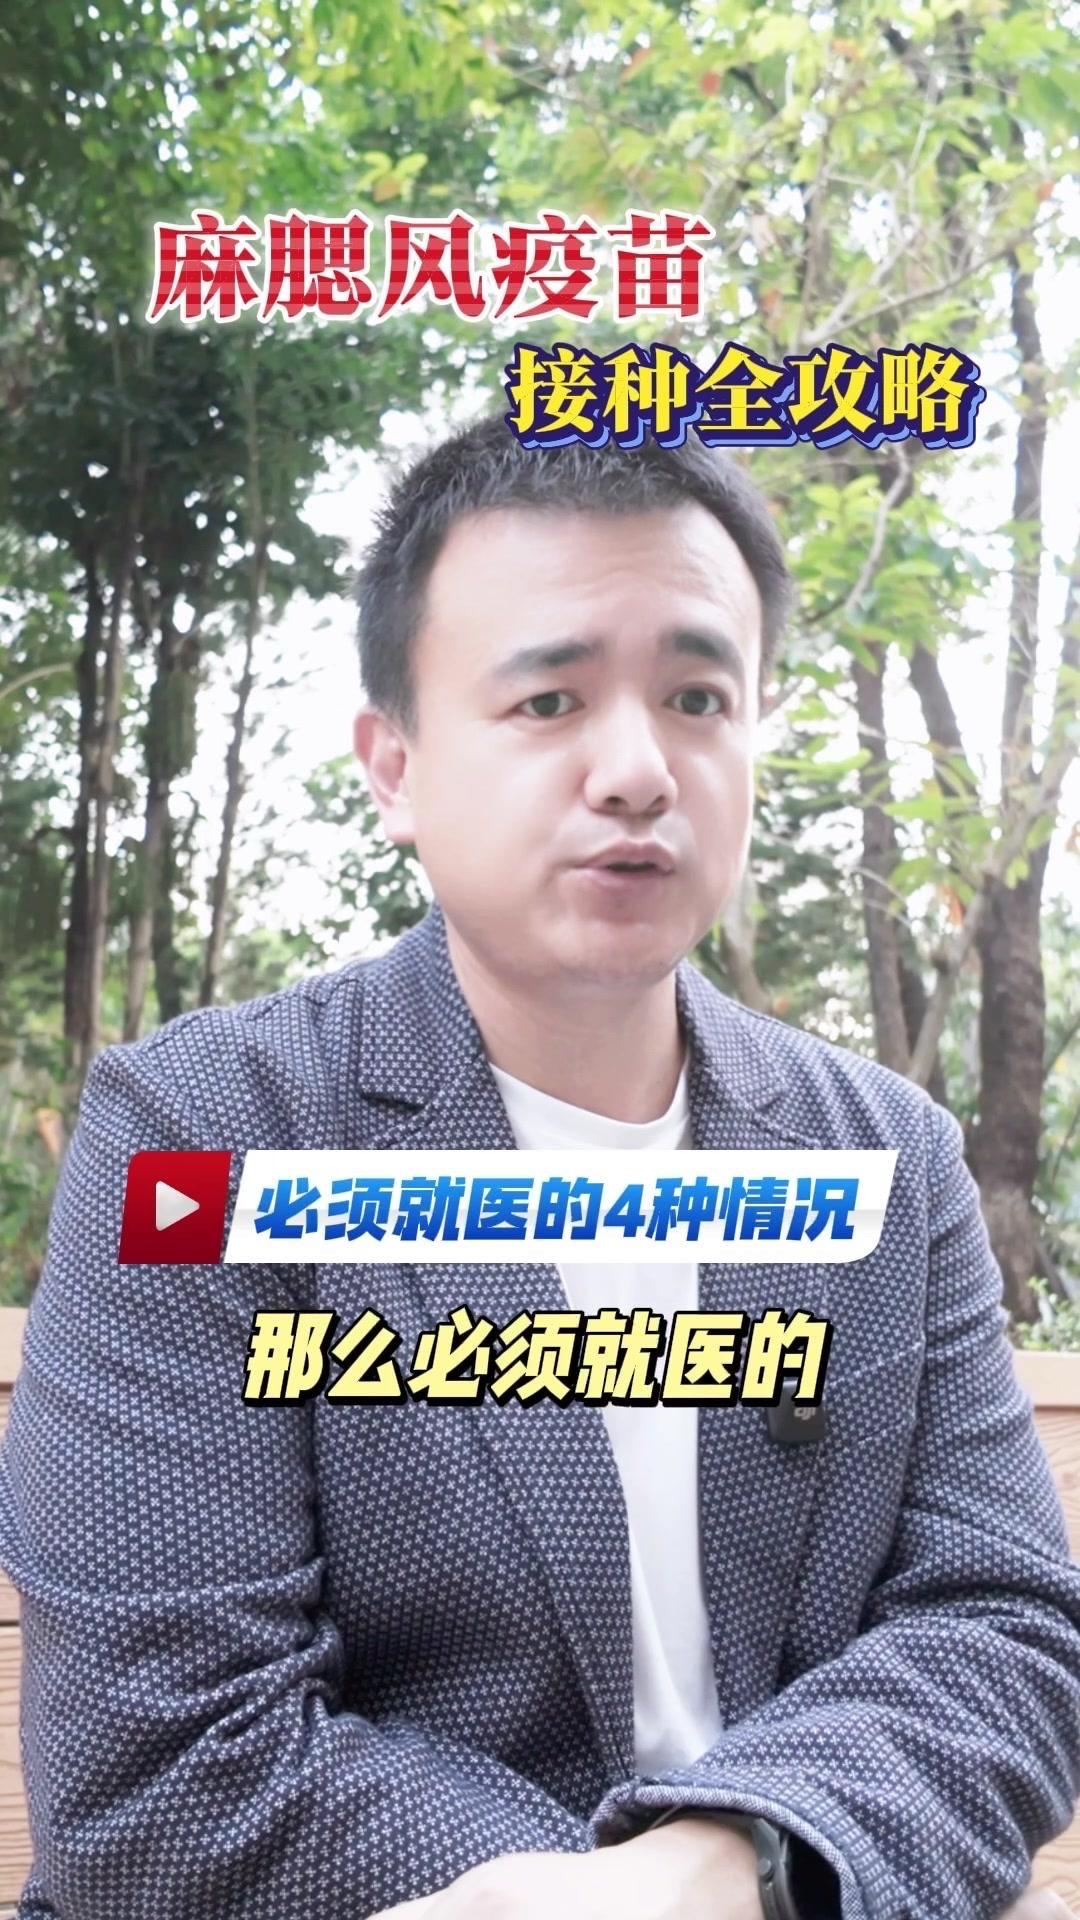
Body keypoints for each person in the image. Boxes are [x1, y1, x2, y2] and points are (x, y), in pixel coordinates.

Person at [0, 412, 1076, 1920]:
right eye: (549, 699)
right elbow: (161, 1766)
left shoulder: (883, 1158)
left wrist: (739, 1863)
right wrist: (616, 1895)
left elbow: (1004, 1629)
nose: (637, 770)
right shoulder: (200, 1143)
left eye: (697, 698)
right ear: (395, 768)